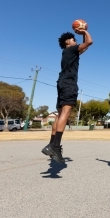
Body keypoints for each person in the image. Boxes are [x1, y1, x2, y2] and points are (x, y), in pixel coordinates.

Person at [42, 28, 93, 163]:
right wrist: (84, 31)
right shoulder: (70, 50)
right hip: (69, 83)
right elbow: (90, 42)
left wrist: (82, 37)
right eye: (73, 39)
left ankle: (52, 145)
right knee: (66, 112)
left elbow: (84, 48)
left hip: (62, 82)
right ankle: (55, 146)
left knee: (60, 115)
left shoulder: (69, 52)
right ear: (67, 42)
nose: (75, 40)